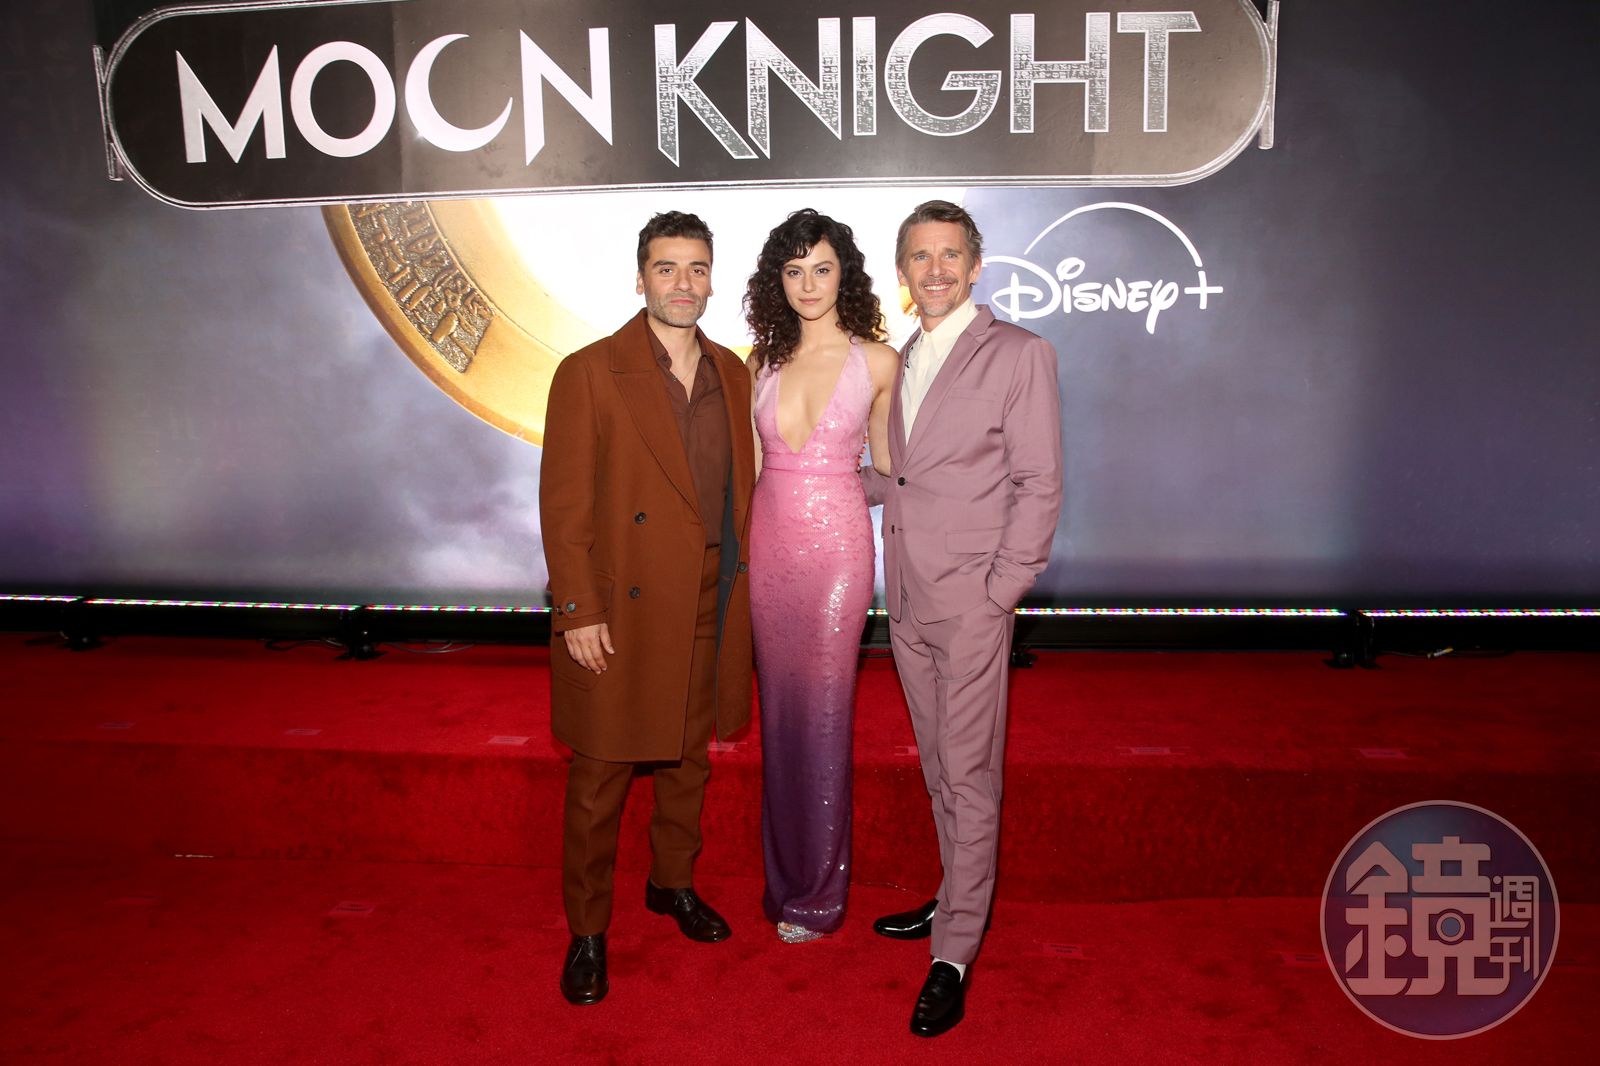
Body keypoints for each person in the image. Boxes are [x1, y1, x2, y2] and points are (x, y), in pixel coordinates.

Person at [539, 211, 756, 1006]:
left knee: (688, 758)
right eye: (667, 268)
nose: (683, 283)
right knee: (601, 771)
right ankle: (588, 929)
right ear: (640, 279)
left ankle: (671, 884)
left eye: (697, 268)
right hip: (621, 606)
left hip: (710, 596)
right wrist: (578, 610)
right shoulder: (589, 371)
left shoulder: (733, 373)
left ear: (711, 279)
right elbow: (564, 506)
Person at [861, 200, 1063, 1037]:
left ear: (976, 266)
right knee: (940, 764)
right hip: (908, 600)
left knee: (970, 774)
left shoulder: (1018, 352)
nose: (935, 269)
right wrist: (807, 476)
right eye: (920, 256)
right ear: (902, 272)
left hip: (974, 601)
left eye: (949, 255)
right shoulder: (902, 357)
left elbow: (1039, 481)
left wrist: (1002, 590)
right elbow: (897, 479)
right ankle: (954, 893)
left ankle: (954, 951)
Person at [743, 209, 898, 943]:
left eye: (823, 268)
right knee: (779, 715)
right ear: (778, 280)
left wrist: (831, 485)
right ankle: (783, 882)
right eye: (794, 270)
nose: (809, 283)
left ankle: (818, 896)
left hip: (838, 552)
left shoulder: (879, 362)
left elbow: (890, 471)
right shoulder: (759, 362)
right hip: (769, 550)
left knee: (827, 716)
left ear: (846, 276)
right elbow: (750, 474)